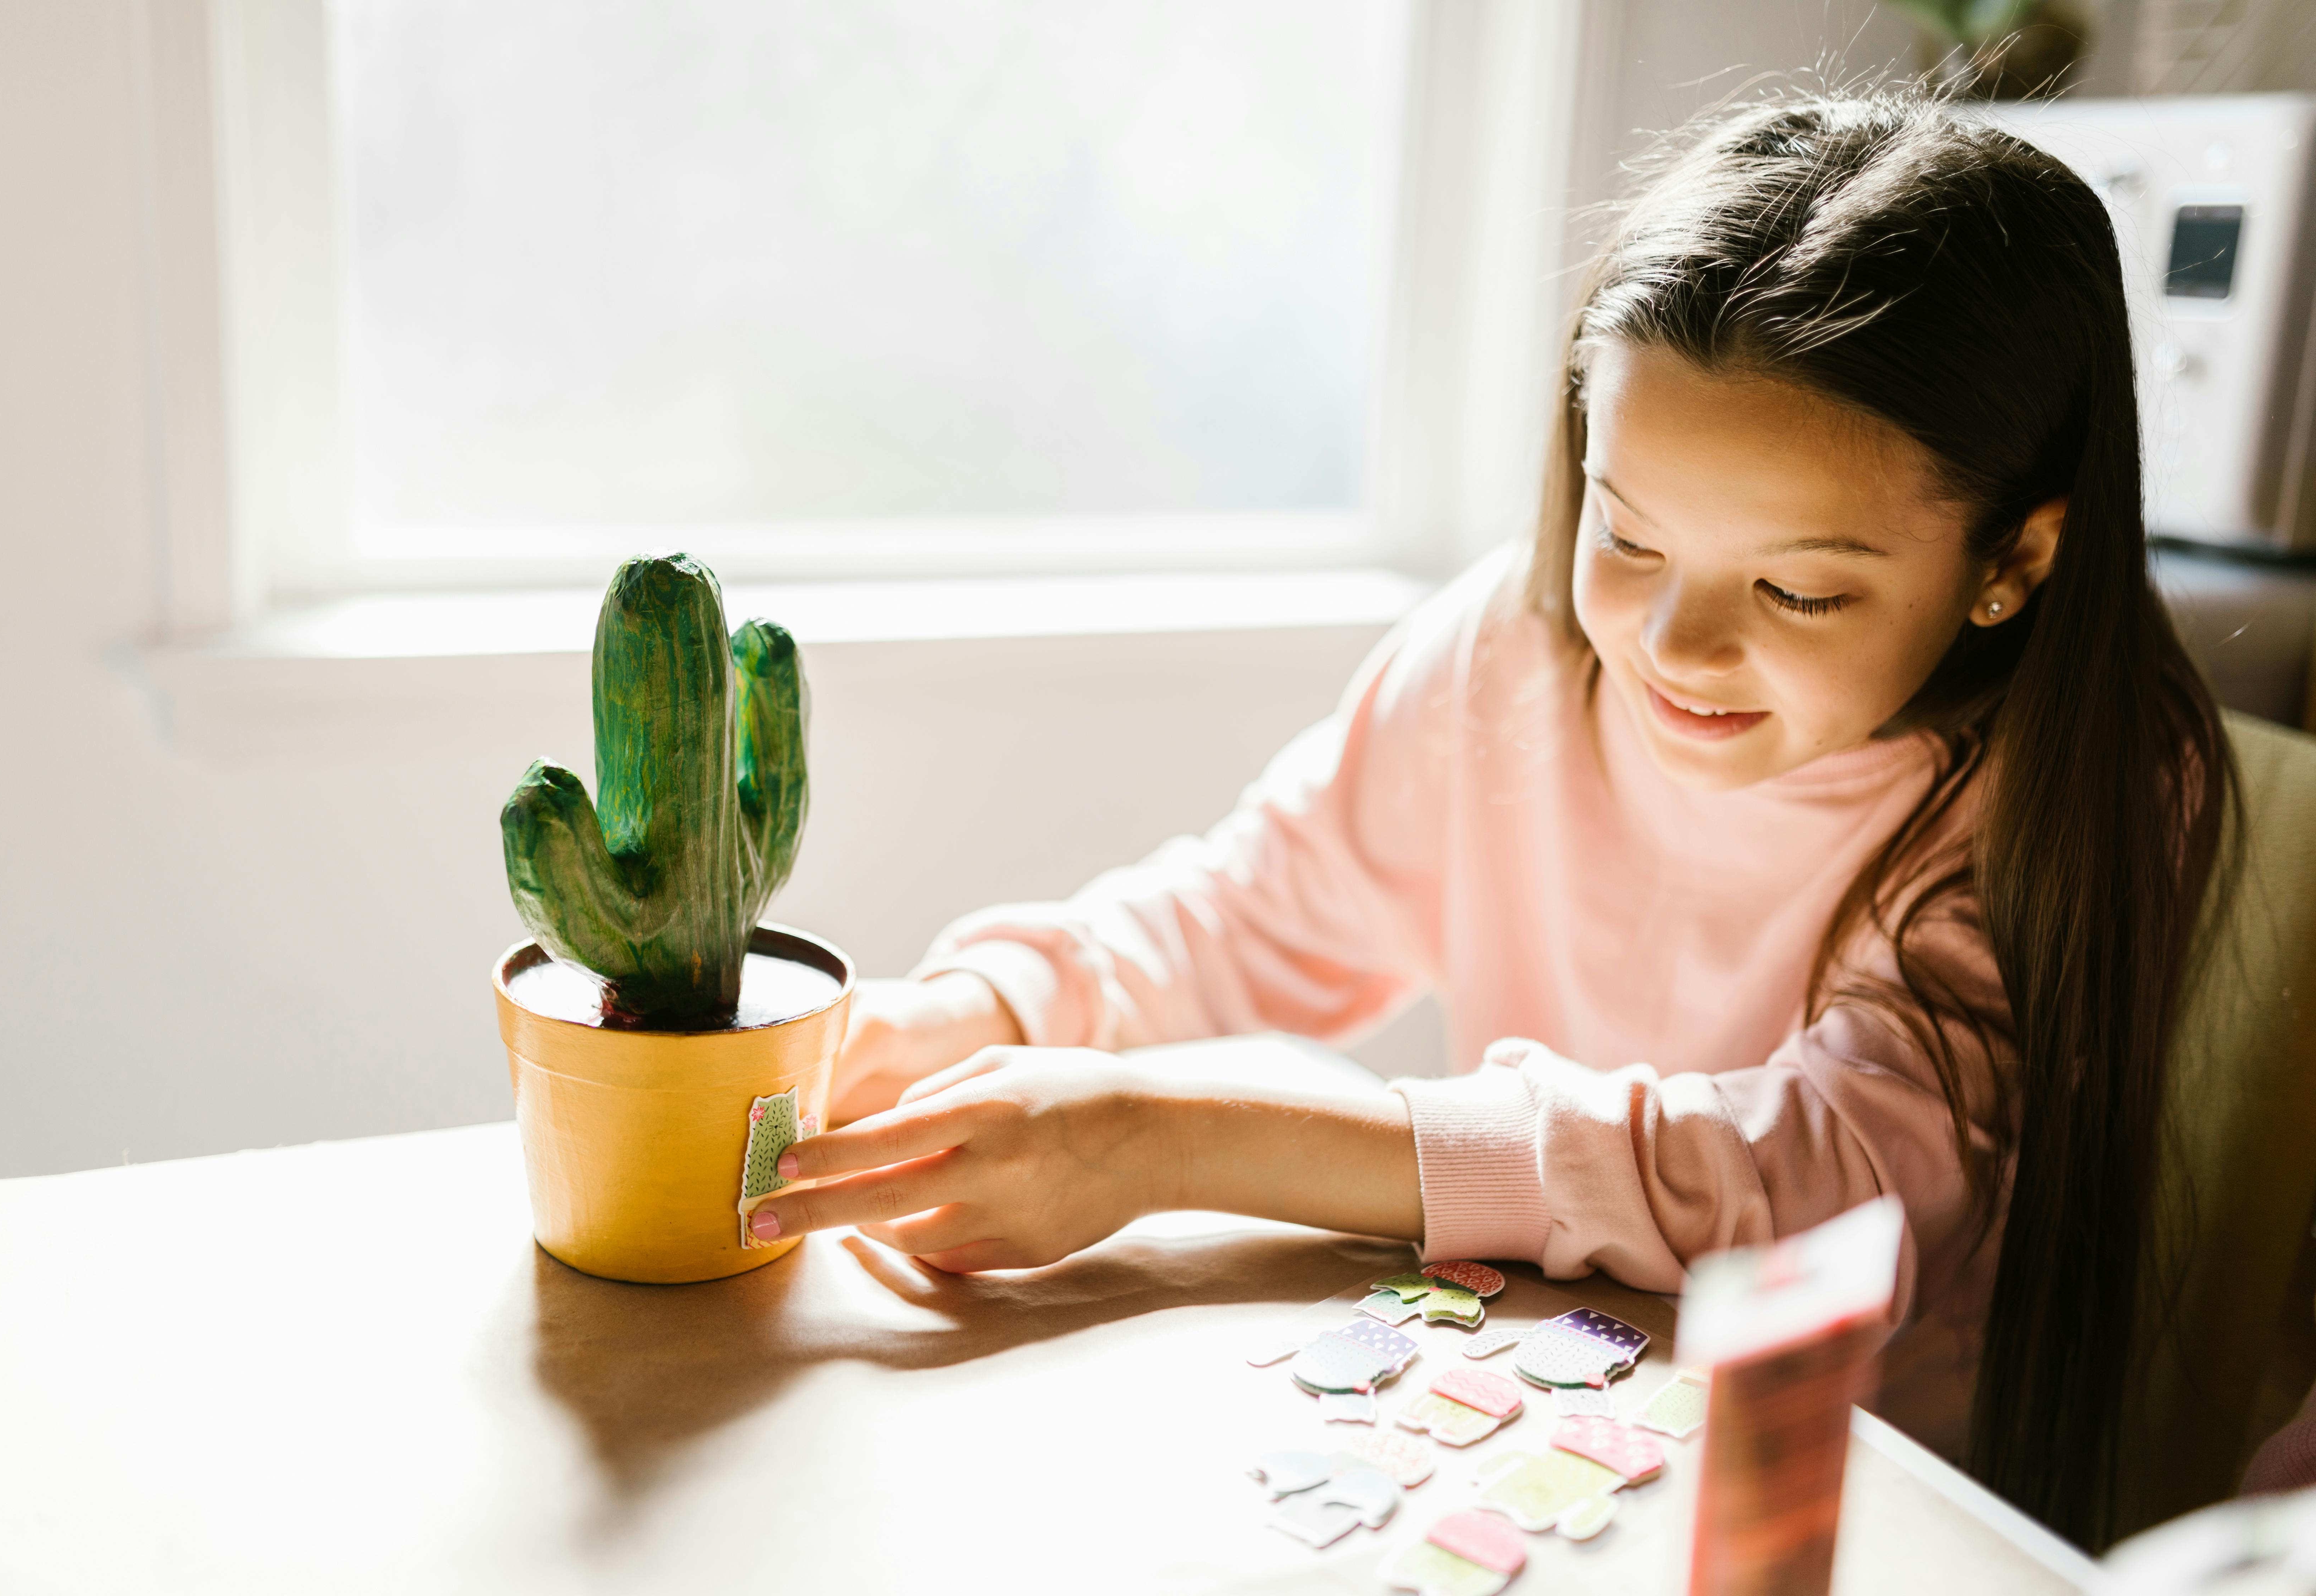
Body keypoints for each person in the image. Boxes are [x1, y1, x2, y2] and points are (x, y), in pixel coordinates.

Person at [747, 92, 2234, 1549]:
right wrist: (976, 1006)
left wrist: (1166, 1140)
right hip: (1525, 1456)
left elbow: (1799, 1181)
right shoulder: (1516, 657)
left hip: (1838, 1525)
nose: (1674, 643)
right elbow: (1248, 913)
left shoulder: (2072, 783)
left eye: (1797, 590)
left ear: (2012, 559)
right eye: (1628, 533)